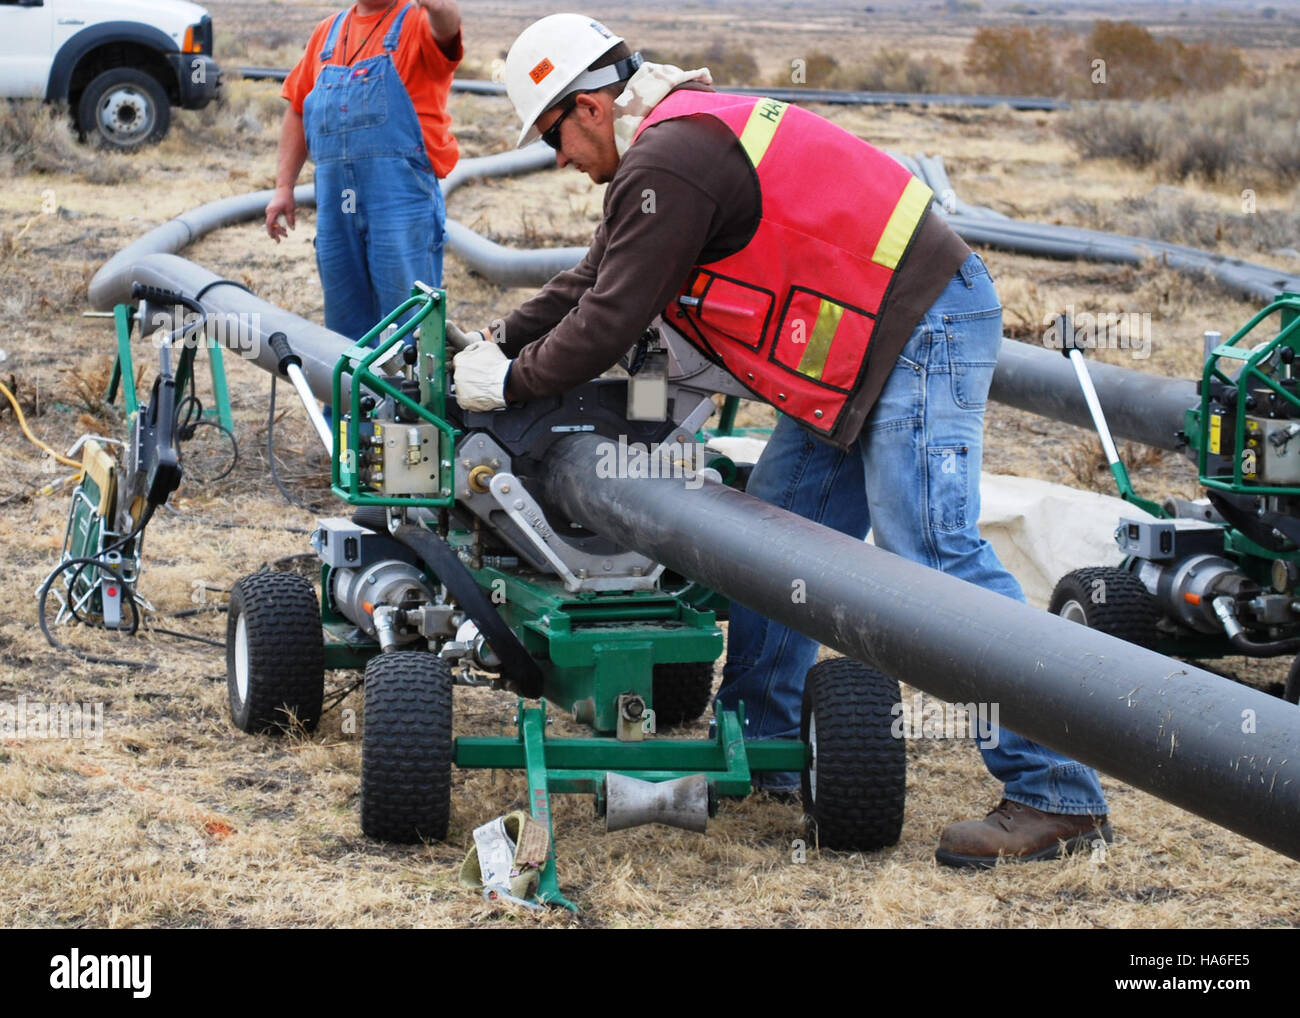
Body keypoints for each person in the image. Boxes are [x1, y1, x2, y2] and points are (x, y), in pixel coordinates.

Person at [452, 13, 1113, 868]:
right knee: (767, 541)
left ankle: (1056, 794)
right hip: (853, 352)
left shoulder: (668, 158)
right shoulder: (669, 143)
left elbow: (612, 318)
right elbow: (592, 276)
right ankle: (764, 748)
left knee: (931, 550)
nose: (558, 159)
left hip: (918, 325)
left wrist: (512, 384)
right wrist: (498, 340)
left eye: (553, 135)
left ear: (590, 106)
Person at [266, 0, 462, 342]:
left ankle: (412, 379)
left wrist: (440, 7)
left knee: (411, 322)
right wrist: (284, 186)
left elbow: (447, 29)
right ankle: (352, 380)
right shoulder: (327, 34)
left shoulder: (417, 22)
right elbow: (298, 109)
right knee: (345, 327)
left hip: (400, 200)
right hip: (337, 205)